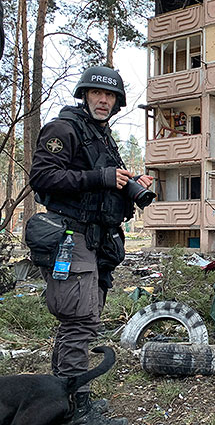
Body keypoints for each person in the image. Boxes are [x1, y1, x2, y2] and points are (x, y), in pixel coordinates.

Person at [29, 66, 153, 425]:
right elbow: (42, 175)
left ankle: (59, 399)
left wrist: (129, 180)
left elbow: (104, 183)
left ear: (116, 102)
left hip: (97, 239)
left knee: (85, 318)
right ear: (84, 95)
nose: (103, 100)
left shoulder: (102, 136)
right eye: (97, 94)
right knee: (80, 321)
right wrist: (99, 177)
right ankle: (76, 409)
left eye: (110, 96)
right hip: (71, 236)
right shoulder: (63, 129)